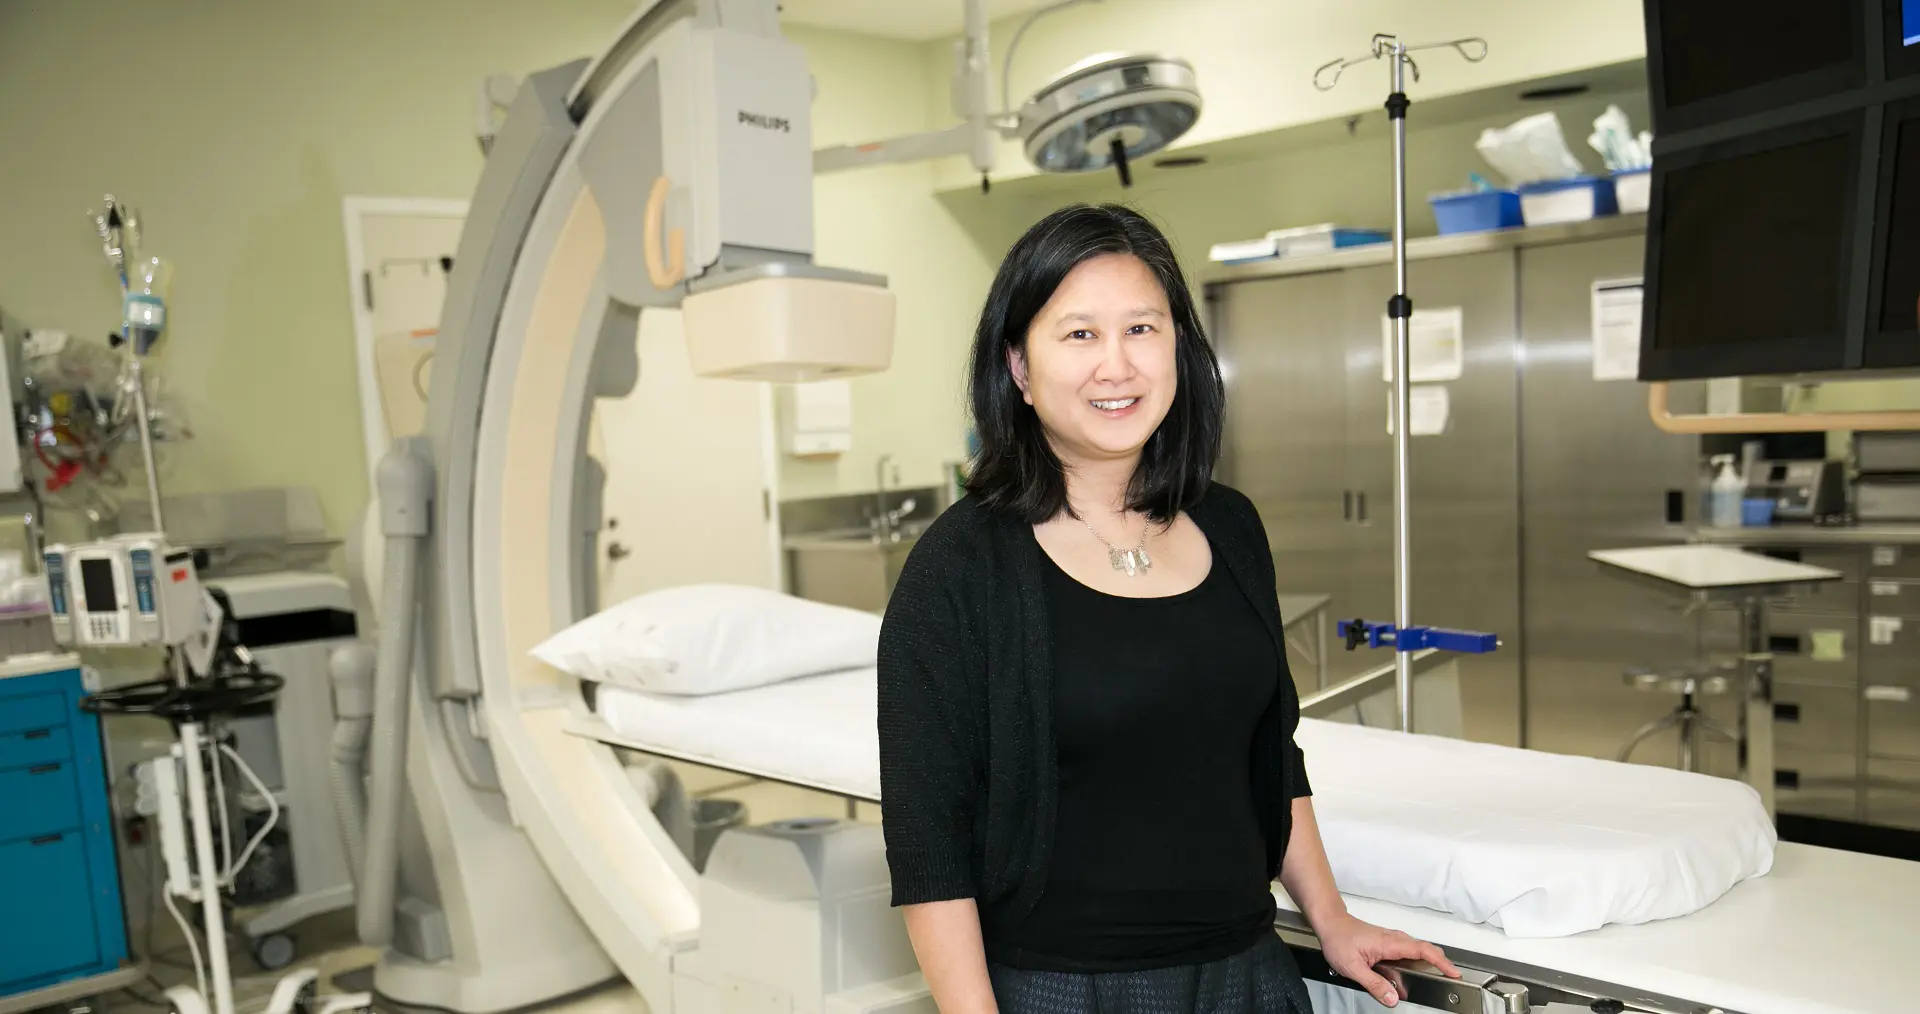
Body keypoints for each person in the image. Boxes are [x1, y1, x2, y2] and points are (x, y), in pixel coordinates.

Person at [876, 204, 1458, 1013]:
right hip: (1063, 988)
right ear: (1018, 367)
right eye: (1078, 334)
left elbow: (1271, 753)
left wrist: (1331, 919)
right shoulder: (961, 566)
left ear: (1178, 346)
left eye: (1142, 329)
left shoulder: (1230, 524)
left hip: (1249, 971)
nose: (1116, 366)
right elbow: (928, 841)